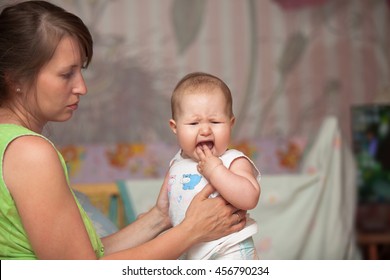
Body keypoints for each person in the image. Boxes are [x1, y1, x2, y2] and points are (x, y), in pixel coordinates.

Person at [0, 1, 247, 260]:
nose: (82, 87)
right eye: (66, 74)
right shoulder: (30, 154)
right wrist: (190, 232)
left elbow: (83, 256)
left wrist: (160, 216)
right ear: (16, 78)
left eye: (80, 71)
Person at [165, 72, 261, 259]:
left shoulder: (232, 160)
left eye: (215, 122)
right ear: (175, 127)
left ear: (230, 123)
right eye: (194, 123)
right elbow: (170, 205)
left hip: (230, 250)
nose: (205, 130)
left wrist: (215, 170)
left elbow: (250, 198)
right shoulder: (176, 163)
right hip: (192, 252)